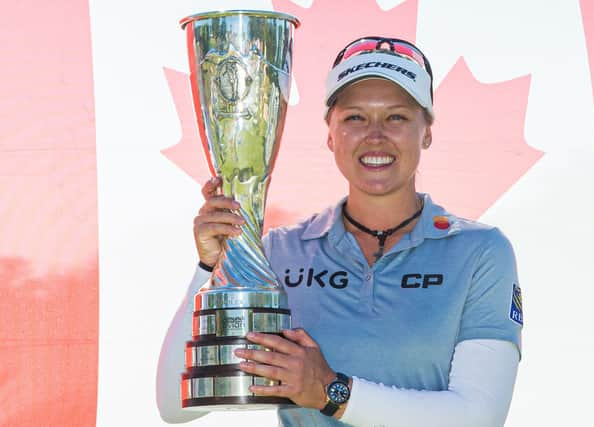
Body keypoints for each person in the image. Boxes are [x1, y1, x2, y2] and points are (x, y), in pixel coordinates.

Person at [157, 36, 523, 427]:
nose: (375, 135)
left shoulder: (479, 251)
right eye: (355, 117)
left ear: (427, 131)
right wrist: (210, 268)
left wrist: (330, 391)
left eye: (396, 116)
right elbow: (175, 404)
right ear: (330, 134)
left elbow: (478, 418)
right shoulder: (280, 251)